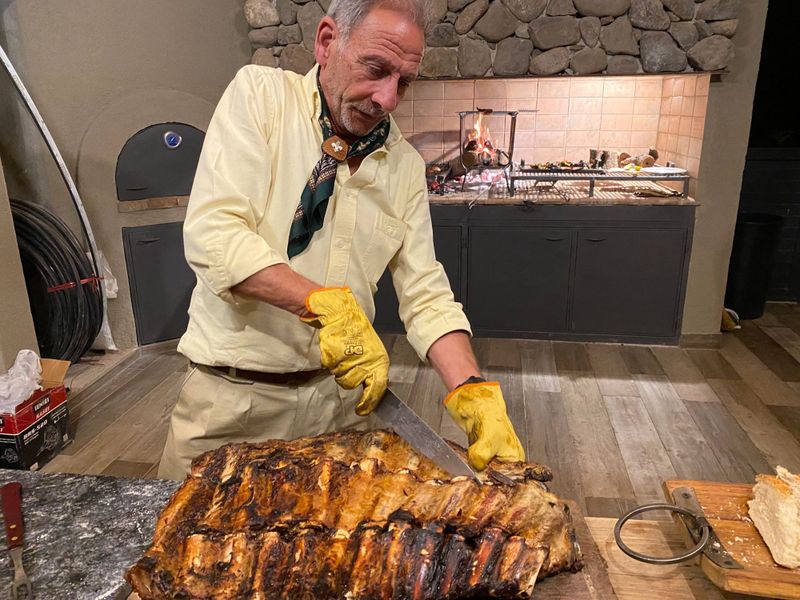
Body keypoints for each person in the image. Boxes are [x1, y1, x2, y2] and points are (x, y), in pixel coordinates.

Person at [157, 0, 524, 480]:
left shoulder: (404, 166)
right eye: (376, 69)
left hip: (341, 411)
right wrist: (321, 304)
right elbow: (215, 233)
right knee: (182, 527)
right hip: (231, 406)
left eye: (404, 82)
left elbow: (425, 292)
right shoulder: (261, 97)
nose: (388, 99)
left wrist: (471, 387)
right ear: (327, 41)